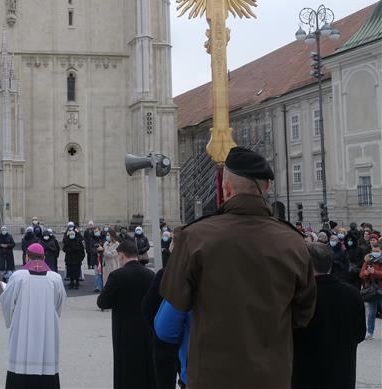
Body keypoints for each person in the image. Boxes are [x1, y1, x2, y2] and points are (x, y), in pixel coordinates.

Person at [160, 146, 316, 388]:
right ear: (267, 188)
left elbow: (176, 301)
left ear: (226, 188)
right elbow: (303, 314)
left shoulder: (195, 237)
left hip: (212, 377)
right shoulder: (294, 242)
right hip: (271, 377)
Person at [292, 243, 365, 389]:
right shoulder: (352, 293)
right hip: (342, 375)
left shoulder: (299, 296)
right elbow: (360, 334)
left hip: (306, 376)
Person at [0, 243, 66, 389]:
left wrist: (11, 320)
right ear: (44, 257)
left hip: (22, 330)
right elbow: (59, 305)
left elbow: (7, 302)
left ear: (27, 257)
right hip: (46, 330)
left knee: (20, 362)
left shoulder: (17, 277)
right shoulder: (55, 278)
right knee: (46, 364)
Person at [96, 239, 155, 389]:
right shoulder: (150, 275)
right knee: (146, 367)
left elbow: (103, 302)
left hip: (124, 331)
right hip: (146, 330)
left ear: (122, 256)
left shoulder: (117, 276)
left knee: (125, 370)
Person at [143, 227, 185, 389]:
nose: (170, 244)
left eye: (173, 240)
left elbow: (147, 307)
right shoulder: (200, 273)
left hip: (165, 342)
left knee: (164, 382)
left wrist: (155, 329)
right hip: (189, 340)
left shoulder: (165, 274)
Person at [360, 241, 382, 339]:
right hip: (372, 290)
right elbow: (361, 275)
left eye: (377, 251)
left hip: (381, 289)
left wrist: (375, 272)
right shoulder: (368, 261)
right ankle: (370, 332)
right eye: (373, 251)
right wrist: (366, 273)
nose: (375, 253)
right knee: (371, 312)